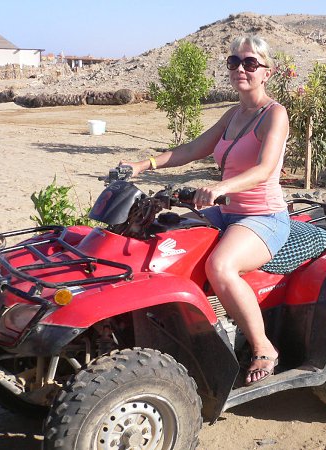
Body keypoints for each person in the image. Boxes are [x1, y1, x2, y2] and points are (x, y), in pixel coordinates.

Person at [120, 35, 290, 385]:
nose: (241, 69)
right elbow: (192, 149)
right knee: (166, 241)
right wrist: (143, 164)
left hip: (263, 216)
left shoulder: (275, 114)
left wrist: (221, 187)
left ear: (267, 72)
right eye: (234, 62)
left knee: (220, 266)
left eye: (250, 63)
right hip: (225, 212)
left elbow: (264, 168)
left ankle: (263, 347)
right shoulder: (233, 114)